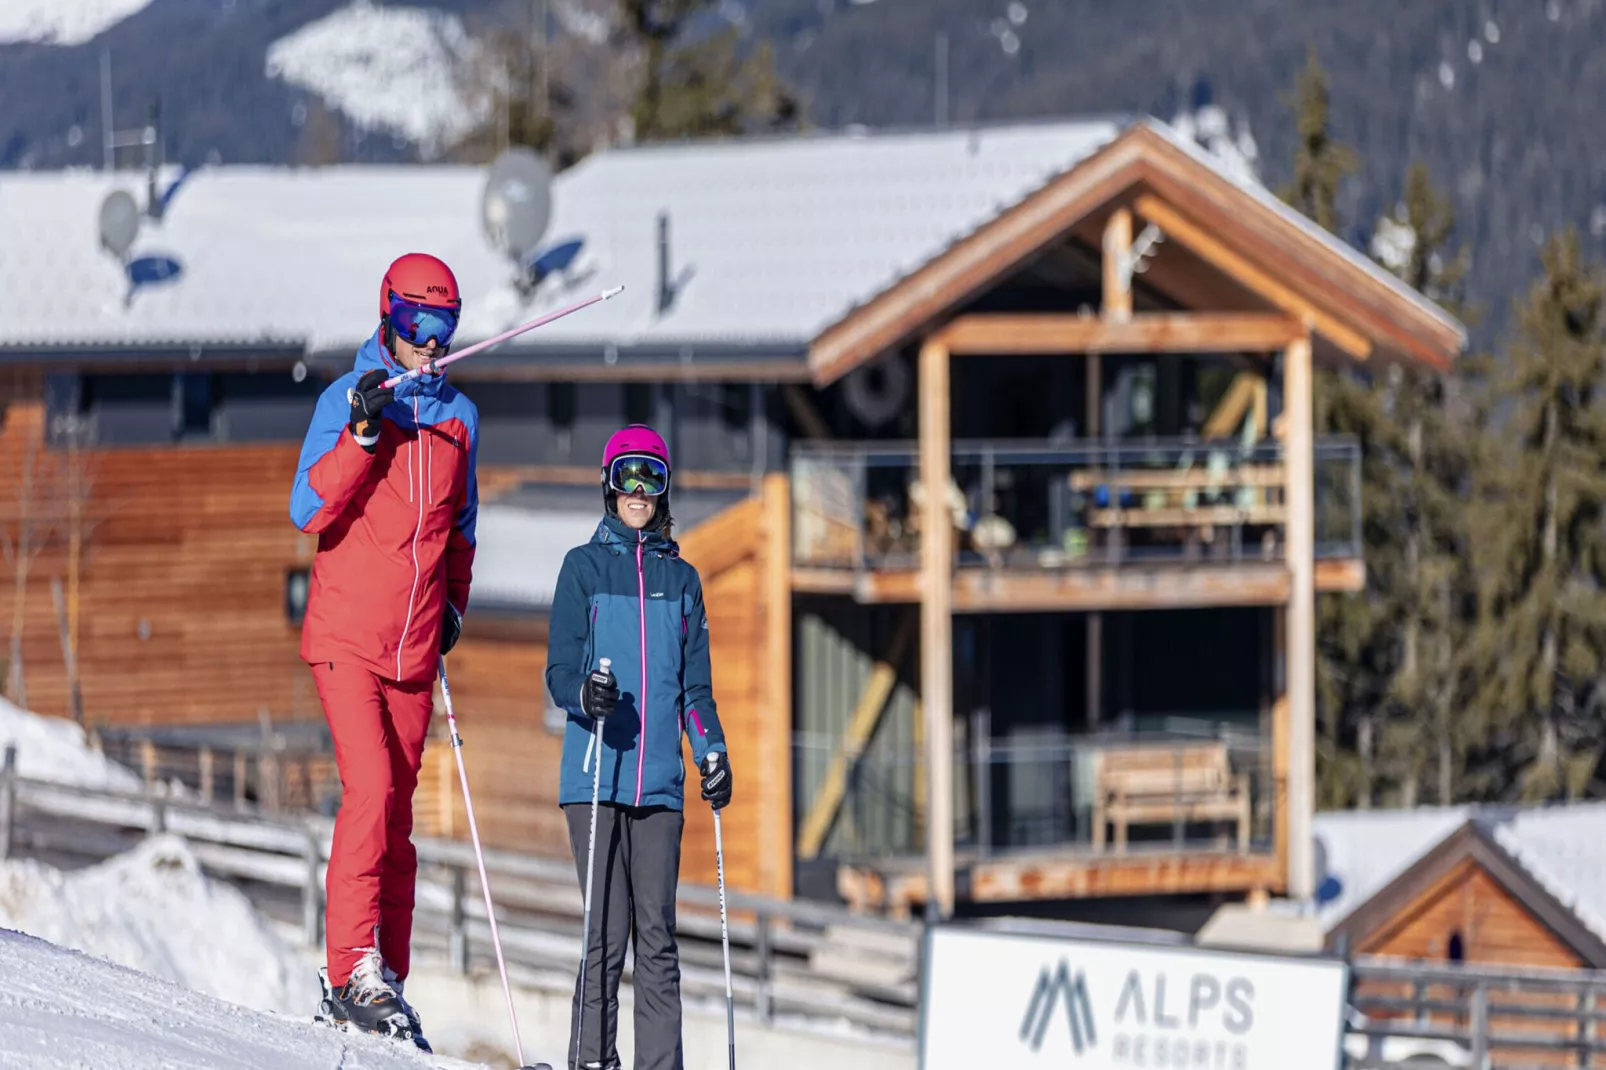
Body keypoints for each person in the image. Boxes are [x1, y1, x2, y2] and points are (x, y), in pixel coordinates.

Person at [289, 252, 480, 1049]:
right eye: (416, 327)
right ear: (389, 318)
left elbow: (460, 535)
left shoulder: (459, 420)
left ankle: (386, 979)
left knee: (397, 819)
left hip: (412, 653)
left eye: (445, 328)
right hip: (345, 638)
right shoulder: (349, 399)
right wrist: (364, 436)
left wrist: (455, 612)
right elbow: (308, 507)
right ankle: (346, 971)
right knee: (367, 792)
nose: (431, 343)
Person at [545, 424, 733, 1070]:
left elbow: (695, 692)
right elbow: (558, 672)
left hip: (657, 785)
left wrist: (712, 752)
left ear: (664, 490)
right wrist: (583, 695)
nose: (637, 490)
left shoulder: (681, 582)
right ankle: (592, 1061)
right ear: (607, 484)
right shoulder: (582, 568)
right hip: (596, 777)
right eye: (626, 475)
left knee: (657, 937)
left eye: (649, 477)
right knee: (605, 933)